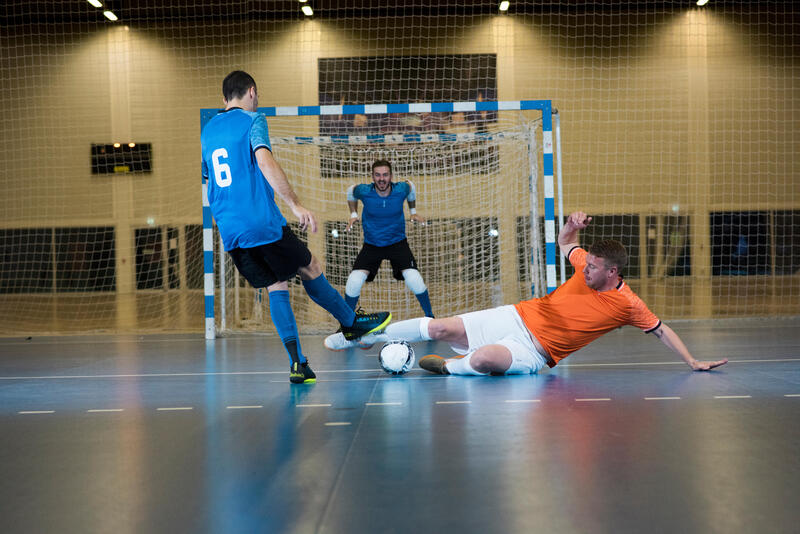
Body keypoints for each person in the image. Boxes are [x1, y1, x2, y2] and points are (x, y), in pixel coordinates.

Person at [325, 210, 728, 375]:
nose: (583, 269)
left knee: (483, 360)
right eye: (584, 264)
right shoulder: (585, 261)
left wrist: (693, 361)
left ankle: (448, 369)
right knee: (440, 328)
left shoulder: (628, 303)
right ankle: (366, 335)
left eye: (591, 269)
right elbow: (566, 240)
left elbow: (660, 329)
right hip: (516, 315)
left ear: (612, 272)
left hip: (536, 352)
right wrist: (571, 224)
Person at [201, 71, 391, 384]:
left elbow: (208, 183)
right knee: (310, 266)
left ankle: (298, 364)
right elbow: (264, 162)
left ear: (224, 99)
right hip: (261, 222)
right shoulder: (252, 120)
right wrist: (295, 204)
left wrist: (227, 222)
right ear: (252, 91)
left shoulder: (207, 131)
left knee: (277, 284)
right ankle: (350, 323)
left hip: (231, 231)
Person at [343, 160, 434, 319]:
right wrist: (353, 215)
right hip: (372, 245)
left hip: (398, 243)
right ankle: (346, 322)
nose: (381, 179)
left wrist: (413, 211)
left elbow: (411, 185)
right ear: (372, 177)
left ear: (391, 176)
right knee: (354, 281)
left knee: (415, 280)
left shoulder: (401, 189)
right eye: (377, 175)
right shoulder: (364, 191)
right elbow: (351, 191)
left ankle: (430, 317)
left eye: (385, 175)